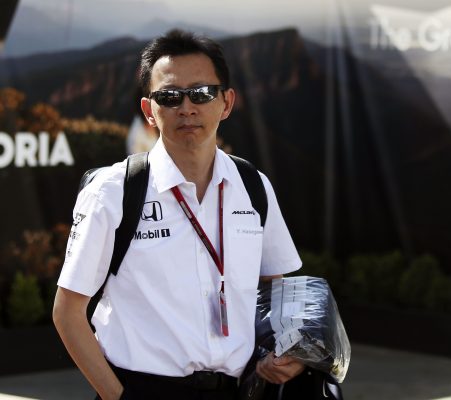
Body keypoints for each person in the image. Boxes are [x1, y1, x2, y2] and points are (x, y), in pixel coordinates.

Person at [53, 29, 305, 400]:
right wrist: (117, 397)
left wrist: (282, 352)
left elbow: (277, 290)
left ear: (226, 102)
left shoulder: (253, 186)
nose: (187, 107)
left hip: (241, 389)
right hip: (142, 388)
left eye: (202, 93)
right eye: (170, 96)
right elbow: (67, 312)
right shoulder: (114, 191)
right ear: (148, 112)